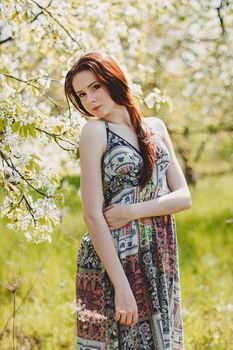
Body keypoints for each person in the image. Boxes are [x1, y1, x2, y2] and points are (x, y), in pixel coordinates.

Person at [64, 51, 191, 350]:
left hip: (159, 254)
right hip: (115, 260)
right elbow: (92, 215)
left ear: (114, 79)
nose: (90, 99)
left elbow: (184, 196)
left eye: (96, 86)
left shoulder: (156, 127)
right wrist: (121, 286)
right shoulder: (95, 131)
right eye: (82, 94)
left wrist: (132, 211)